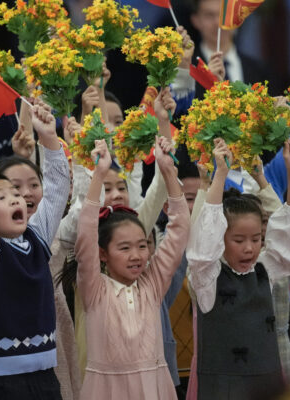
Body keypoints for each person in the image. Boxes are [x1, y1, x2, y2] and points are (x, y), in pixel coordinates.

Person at [0, 100, 70, 399]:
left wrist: (49, 137)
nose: (15, 199)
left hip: (47, 377)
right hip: (4, 384)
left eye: (17, 194)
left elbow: (58, 187)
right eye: (1, 196)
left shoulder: (37, 239)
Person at [75, 134, 189, 399]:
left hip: (155, 387)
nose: (137, 255)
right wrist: (98, 174)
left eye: (142, 245)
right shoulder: (94, 289)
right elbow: (85, 234)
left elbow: (179, 228)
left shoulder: (152, 284)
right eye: (124, 248)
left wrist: (168, 171)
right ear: (102, 254)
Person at [187, 138, 290, 400]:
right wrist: (220, 174)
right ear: (220, 238)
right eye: (238, 240)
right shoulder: (207, 278)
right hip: (223, 389)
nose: (249, 248)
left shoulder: (266, 269)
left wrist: (288, 170)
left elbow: (286, 228)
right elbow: (203, 241)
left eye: (256, 239)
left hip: (268, 384)